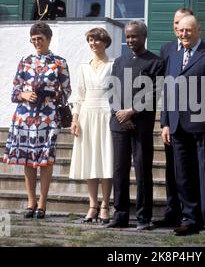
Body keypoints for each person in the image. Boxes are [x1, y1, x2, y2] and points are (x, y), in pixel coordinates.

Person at [161, 15, 205, 238]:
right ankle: (190, 219)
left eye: (188, 30)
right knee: (182, 175)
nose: (184, 34)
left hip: (203, 125)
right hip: (177, 125)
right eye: (180, 31)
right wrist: (164, 122)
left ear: (198, 30)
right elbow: (168, 90)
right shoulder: (174, 56)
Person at [2, 21, 71, 219]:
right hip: (24, 116)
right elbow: (15, 91)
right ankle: (31, 202)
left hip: (48, 117)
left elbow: (67, 92)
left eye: (40, 39)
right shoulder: (25, 60)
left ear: (49, 39)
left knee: (46, 160)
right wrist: (24, 95)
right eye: (33, 39)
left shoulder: (59, 62)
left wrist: (51, 93)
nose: (36, 43)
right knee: (27, 160)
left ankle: (42, 203)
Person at [107, 20, 164, 230]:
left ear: (144, 37)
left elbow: (154, 93)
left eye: (135, 36)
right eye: (128, 36)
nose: (131, 40)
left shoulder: (156, 62)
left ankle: (143, 218)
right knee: (119, 170)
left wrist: (131, 112)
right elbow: (111, 90)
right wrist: (120, 115)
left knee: (142, 171)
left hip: (141, 125)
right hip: (118, 124)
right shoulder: (119, 61)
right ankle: (120, 215)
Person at [153, 7, 194, 228]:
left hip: (194, 118)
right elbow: (164, 87)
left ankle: (192, 213)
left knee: (189, 169)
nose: (178, 27)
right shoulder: (167, 49)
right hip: (172, 119)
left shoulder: (200, 50)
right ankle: (172, 212)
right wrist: (164, 121)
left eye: (182, 23)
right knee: (171, 169)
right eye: (176, 23)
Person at [69, 27, 113, 224]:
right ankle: (92, 205)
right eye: (90, 41)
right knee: (89, 160)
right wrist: (75, 119)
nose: (93, 44)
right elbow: (79, 95)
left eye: (96, 40)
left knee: (105, 160)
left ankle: (105, 205)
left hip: (106, 115)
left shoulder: (114, 64)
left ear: (105, 42)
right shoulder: (84, 67)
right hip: (87, 115)